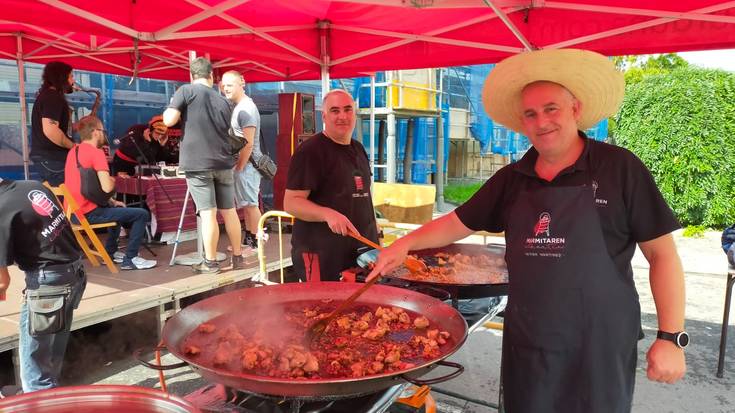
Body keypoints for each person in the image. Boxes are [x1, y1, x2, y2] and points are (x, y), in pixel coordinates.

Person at [368, 49, 687, 412]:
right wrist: (403, 245)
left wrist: (671, 337)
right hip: (530, 342)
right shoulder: (512, 179)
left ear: (575, 109)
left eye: (551, 108)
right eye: (531, 114)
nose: (542, 122)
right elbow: (457, 222)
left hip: (600, 345)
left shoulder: (620, 168)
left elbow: (662, 255)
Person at [0, 178, 86, 395]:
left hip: (49, 284)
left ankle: (37, 397)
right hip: (74, 272)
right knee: (51, 348)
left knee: (34, 366)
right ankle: (47, 393)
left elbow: (2, 282)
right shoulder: (33, 185)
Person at [284, 89, 379, 281]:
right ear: (324, 115)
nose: (342, 116)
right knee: (322, 309)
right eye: (335, 111)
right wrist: (327, 214)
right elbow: (291, 203)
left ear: (354, 113)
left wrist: (375, 233)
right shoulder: (310, 152)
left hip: (363, 254)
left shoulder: (358, 148)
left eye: (347, 109)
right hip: (321, 256)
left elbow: (364, 195)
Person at [163, 57, 243, 273]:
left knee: (208, 213)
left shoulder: (186, 91)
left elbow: (169, 120)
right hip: (224, 162)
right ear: (211, 76)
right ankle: (238, 257)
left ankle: (210, 263)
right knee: (229, 211)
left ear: (191, 75)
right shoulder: (224, 101)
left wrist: (168, 111)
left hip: (198, 164)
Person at [64, 115, 156, 270]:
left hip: (72, 212)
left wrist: (112, 201)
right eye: (103, 130)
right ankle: (131, 259)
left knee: (117, 209)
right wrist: (113, 180)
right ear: (95, 132)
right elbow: (107, 187)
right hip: (88, 214)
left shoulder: (74, 151)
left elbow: (86, 185)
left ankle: (110, 253)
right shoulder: (96, 152)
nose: (104, 134)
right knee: (142, 214)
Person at [221, 70, 262, 254]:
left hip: (248, 165)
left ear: (241, 84)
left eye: (230, 85)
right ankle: (250, 240)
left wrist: (240, 166)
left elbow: (249, 143)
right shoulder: (241, 107)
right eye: (223, 85)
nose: (225, 88)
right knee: (247, 205)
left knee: (251, 205)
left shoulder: (246, 108)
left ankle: (256, 243)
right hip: (246, 165)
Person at [30, 61, 76, 186]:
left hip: (48, 159)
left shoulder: (47, 96)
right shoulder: (52, 97)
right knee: (67, 198)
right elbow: (51, 130)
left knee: (57, 198)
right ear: (61, 78)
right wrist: (74, 147)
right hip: (53, 159)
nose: (73, 81)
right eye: (71, 76)